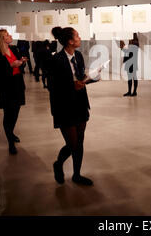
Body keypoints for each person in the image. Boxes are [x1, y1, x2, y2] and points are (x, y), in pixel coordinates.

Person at [49, 27, 96, 186]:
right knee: (72, 144)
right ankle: (58, 164)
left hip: (80, 104)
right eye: (77, 35)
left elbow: (80, 77)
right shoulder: (56, 60)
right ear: (70, 41)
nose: (79, 37)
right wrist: (72, 86)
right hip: (64, 106)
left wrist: (91, 78)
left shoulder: (79, 56)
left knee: (80, 141)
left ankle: (77, 174)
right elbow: (53, 87)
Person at [0, 29, 27, 155]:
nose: (10, 36)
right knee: (8, 115)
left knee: (15, 113)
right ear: (2, 39)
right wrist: (11, 66)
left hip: (17, 85)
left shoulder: (14, 49)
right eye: (7, 35)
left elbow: (20, 68)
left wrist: (21, 62)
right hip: (6, 88)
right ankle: (10, 142)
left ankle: (10, 133)